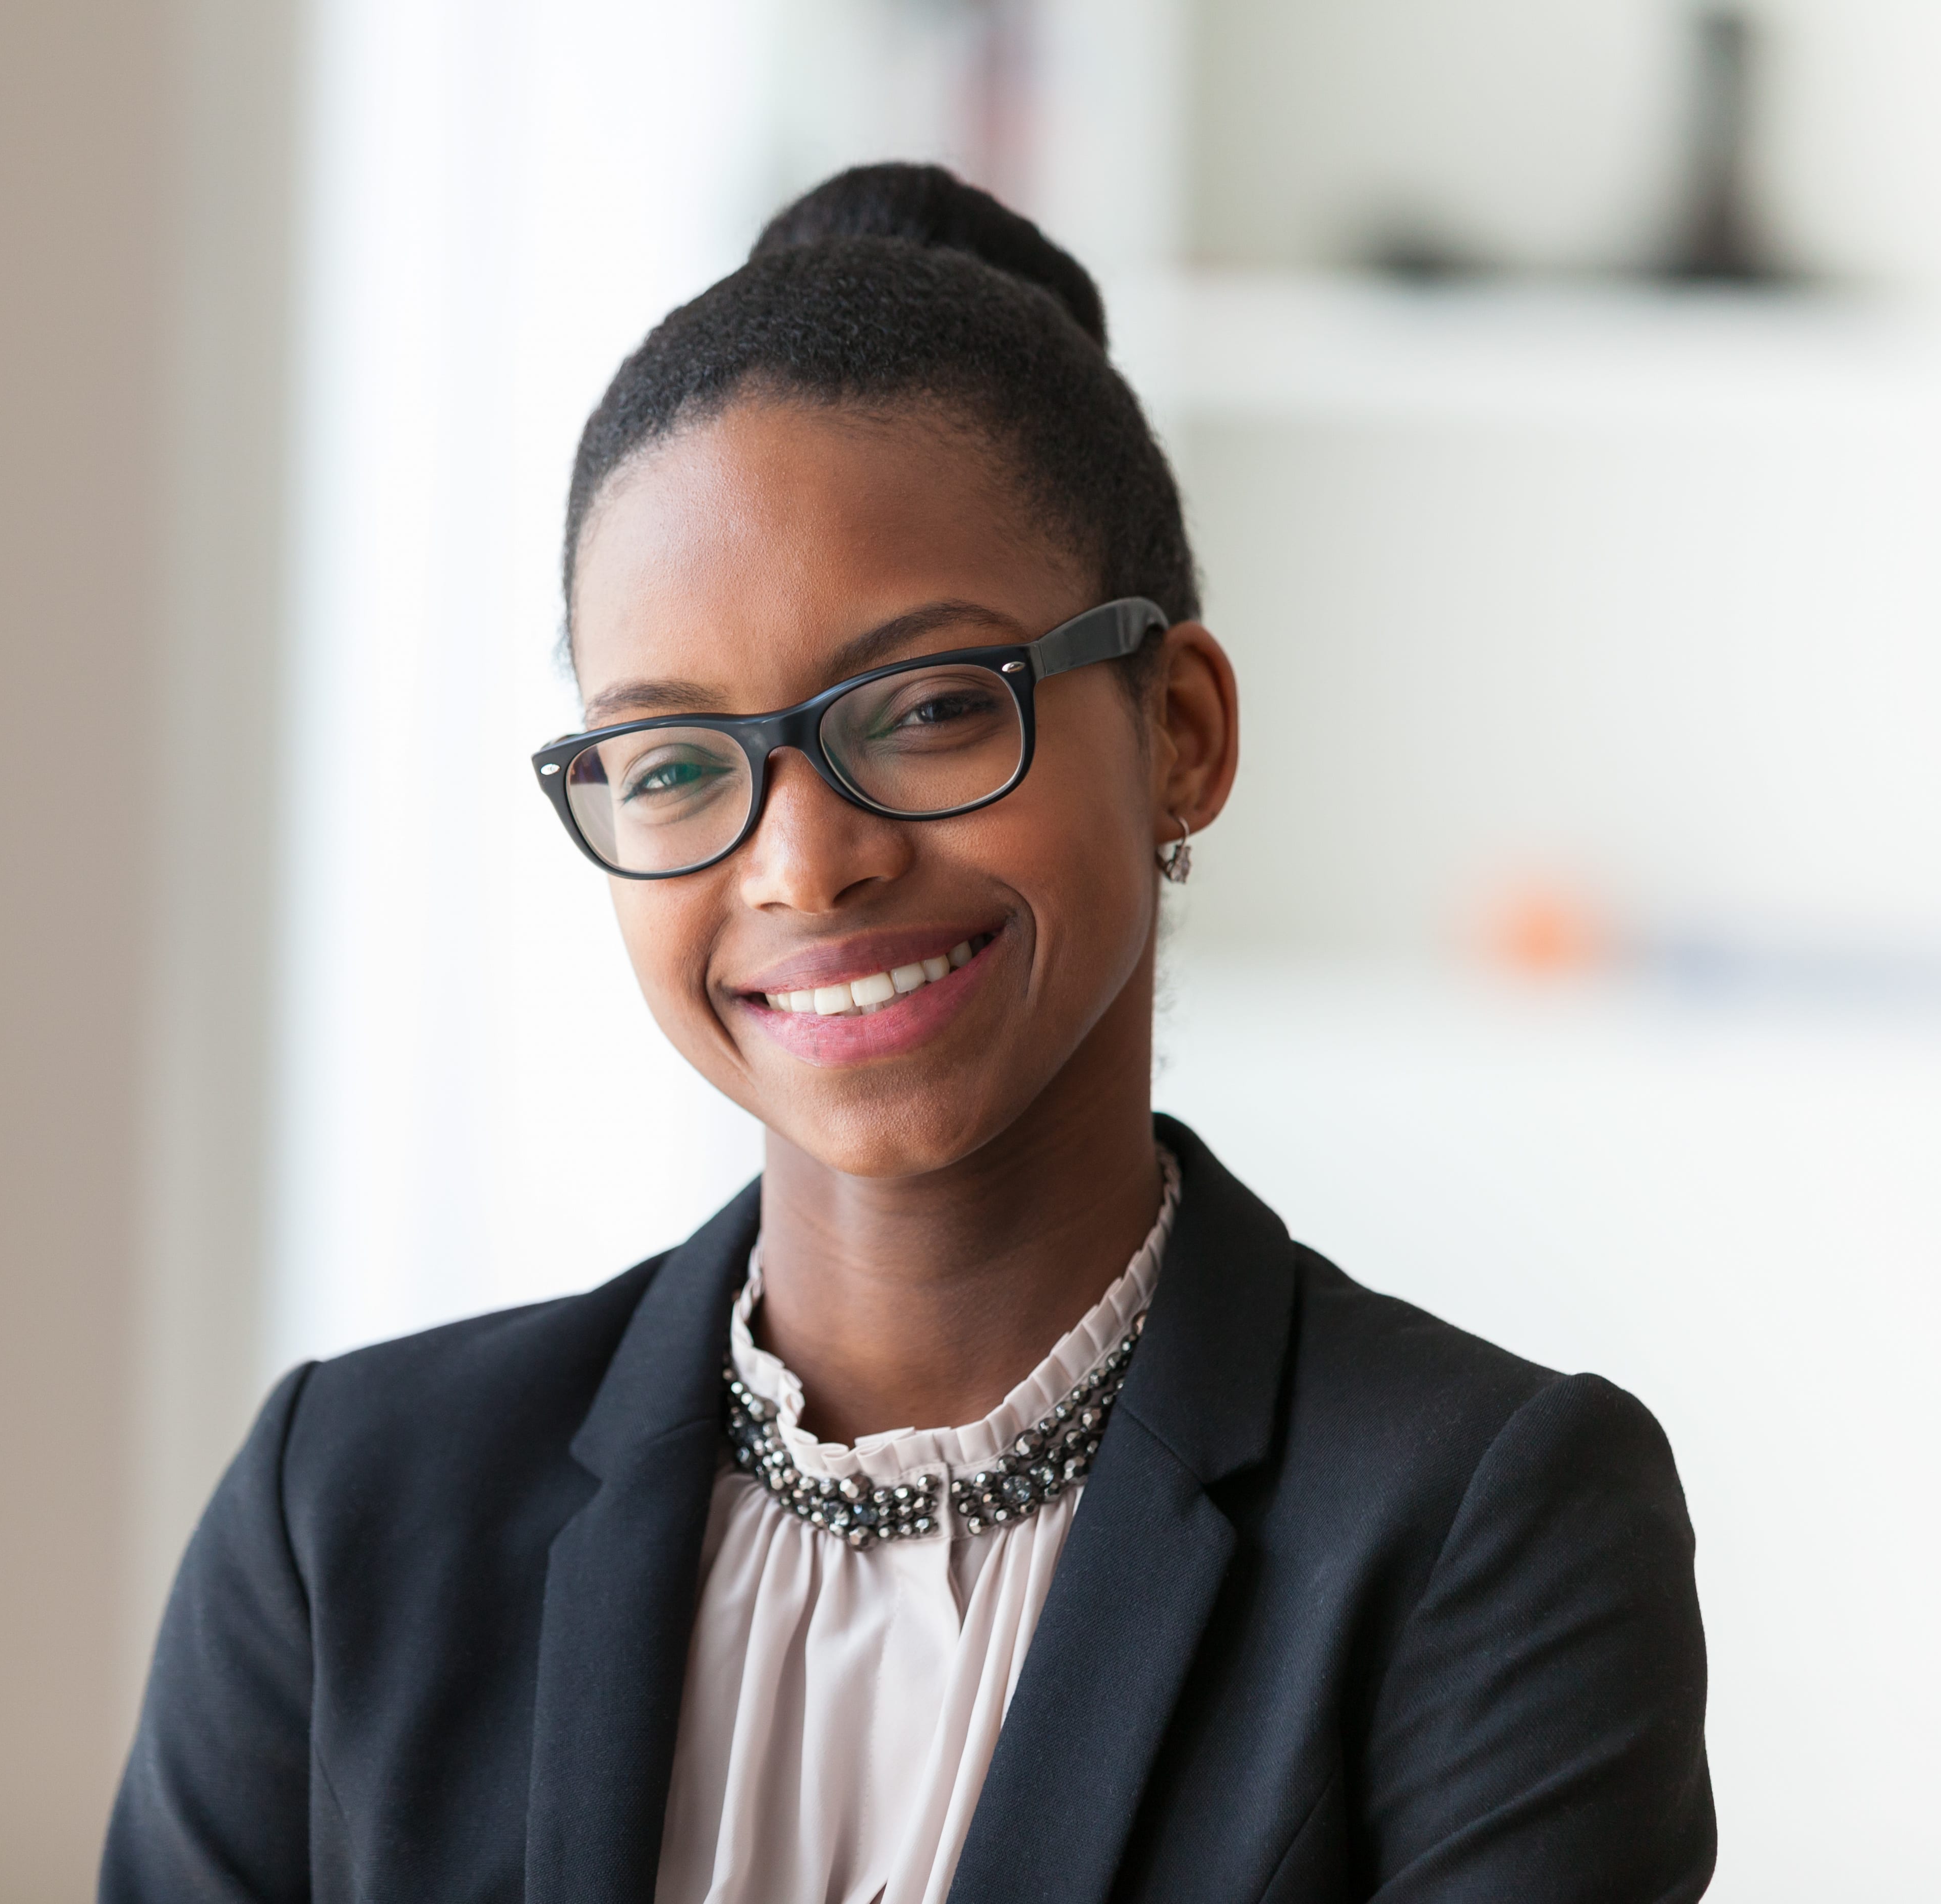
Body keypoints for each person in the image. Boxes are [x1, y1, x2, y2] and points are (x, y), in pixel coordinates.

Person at [102, 163, 1714, 1904]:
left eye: (935, 709)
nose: (805, 861)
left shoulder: (1484, 1526)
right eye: (671, 762)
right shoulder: (342, 1520)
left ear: (1178, 732)